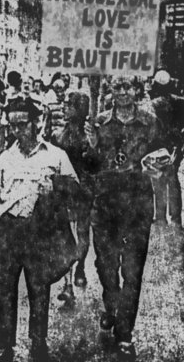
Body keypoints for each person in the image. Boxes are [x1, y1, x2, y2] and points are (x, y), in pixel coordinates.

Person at [0, 96, 81, 362]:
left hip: (41, 232)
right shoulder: (4, 158)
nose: (17, 130)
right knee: (4, 288)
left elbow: (78, 192)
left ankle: (38, 342)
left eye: (22, 124)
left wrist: (55, 186)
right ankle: (3, 345)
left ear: (37, 123)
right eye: (12, 125)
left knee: (39, 288)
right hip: (10, 231)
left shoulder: (56, 156)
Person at [84, 75, 162, 361]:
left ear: (137, 90)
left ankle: (125, 334)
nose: (124, 92)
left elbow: (164, 154)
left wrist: (159, 168)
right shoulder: (99, 122)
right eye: (118, 87)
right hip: (106, 205)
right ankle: (109, 303)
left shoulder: (150, 121)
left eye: (129, 86)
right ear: (111, 91)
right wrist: (91, 145)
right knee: (106, 266)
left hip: (138, 204)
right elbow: (89, 166)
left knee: (133, 270)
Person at [52, 90, 94, 305]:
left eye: (69, 105)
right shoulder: (57, 134)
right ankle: (67, 283)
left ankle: (79, 266)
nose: (64, 107)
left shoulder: (89, 136)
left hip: (84, 190)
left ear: (79, 109)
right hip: (63, 190)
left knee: (82, 231)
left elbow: (95, 163)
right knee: (65, 234)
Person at [149, 70, 184, 228]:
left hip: (159, 147)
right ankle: (176, 217)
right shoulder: (180, 101)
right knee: (173, 179)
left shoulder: (154, 104)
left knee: (158, 181)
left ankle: (161, 216)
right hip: (176, 145)